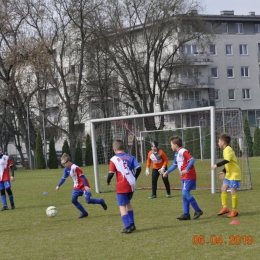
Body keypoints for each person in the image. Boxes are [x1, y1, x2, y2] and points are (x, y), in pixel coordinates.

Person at [163, 136, 203, 220]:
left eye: (171, 145)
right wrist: (167, 172)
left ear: (176, 145)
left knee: (185, 193)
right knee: (184, 195)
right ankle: (186, 214)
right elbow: (174, 165)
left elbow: (192, 160)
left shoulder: (183, 151)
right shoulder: (176, 154)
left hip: (189, 175)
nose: (171, 146)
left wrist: (186, 169)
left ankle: (198, 210)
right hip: (184, 176)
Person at [56, 153, 107, 218]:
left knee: (88, 200)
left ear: (68, 161)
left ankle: (101, 201)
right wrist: (58, 185)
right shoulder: (66, 169)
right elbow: (63, 178)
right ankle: (84, 213)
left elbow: (82, 176)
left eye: (64, 163)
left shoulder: (75, 167)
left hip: (84, 185)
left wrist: (85, 186)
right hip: (76, 186)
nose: (63, 165)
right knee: (73, 200)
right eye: (62, 163)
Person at [107, 140, 141, 234]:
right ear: (124, 148)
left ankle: (127, 226)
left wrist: (108, 181)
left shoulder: (113, 159)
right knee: (128, 203)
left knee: (122, 205)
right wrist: (135, 177)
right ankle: (132, 224)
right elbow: (139, 168)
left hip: (122, 185)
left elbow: (110, 173)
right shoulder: (131, 157)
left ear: (114, 149)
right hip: (132, 184)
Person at [211, 133, 241, 218]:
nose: (218, 143)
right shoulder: (225, 150)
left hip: (234, 174)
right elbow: (228, 162)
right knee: (223, 188)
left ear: (223, 142)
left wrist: (216, 165)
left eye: (219, 141)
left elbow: (227, 160)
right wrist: (224, 171)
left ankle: (234, 210)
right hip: (229, 174)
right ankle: (225, 208)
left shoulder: (228, 149)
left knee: (233, 190)